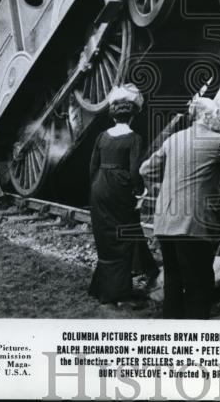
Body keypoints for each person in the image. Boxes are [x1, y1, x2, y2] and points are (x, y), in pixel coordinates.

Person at [140, 96, 220, 319]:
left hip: (164, 221)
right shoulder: (217, 141)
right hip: (192, 224)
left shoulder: (174, 139)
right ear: (207, 115)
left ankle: (172, 332)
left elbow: (145, 170)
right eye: (217, 113)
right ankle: (195, 336)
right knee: (199, 284)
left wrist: (165, 185)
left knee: (173, 279)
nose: (219, 117)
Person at [88, 84, 158, 304]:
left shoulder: (101, 137)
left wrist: (98, 185)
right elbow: (135, 172)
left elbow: (92, 167)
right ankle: (118, 293)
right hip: (120, 189)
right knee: (123, 237)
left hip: (99, 187)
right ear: (132, 116)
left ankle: (102, 287)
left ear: (113, 115)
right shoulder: (134, 138)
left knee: (105, 237)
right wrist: (139, 193)